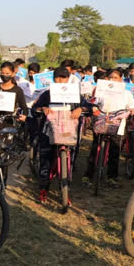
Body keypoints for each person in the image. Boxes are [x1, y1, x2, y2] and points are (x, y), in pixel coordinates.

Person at [32, 67, 84, 208]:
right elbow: (35, 108)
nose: (60, 80)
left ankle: (66, 191)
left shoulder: (75, 95)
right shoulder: (47, 94)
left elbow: (89, 106)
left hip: (68, 133)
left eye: (63, 78)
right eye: (57, 78)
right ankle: (43, 189)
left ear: (68, 79)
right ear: (53, 78)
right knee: (46, 160)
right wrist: (43, 108)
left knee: (69, 162)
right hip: (48, 132)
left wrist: (81, 109)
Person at [82, 69, 134, 188]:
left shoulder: (126, 93)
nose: (112, 80)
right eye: (110, 77)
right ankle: (88, 174)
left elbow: (132, 106)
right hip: (101, 121)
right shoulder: (101, 91)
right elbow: (93, 102)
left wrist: (132, 110)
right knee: (95, 148)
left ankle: (112, 177)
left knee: (114, 151)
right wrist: (93, 108)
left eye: (115, 78)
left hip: (117, 123)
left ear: (121, 79)